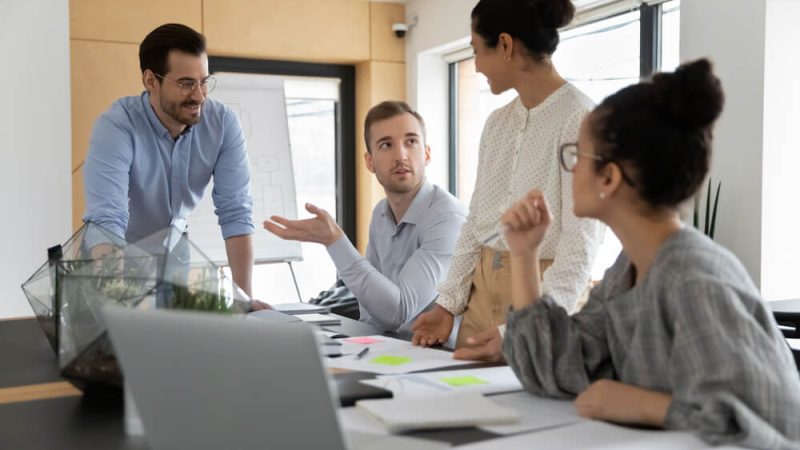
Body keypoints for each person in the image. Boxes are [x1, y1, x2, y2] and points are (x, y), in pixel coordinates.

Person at [499, 59, 800, 448]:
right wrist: (524, 255)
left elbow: (775, 433)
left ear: (609, 177)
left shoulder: (695, 278)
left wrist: (649, 406)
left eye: (577, 156)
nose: (570, 170)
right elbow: (557, 367)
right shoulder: (629, 268)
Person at [412, 0, 604, 352]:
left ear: (504, 45)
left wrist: (524, 328)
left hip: (544, 297)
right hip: (480, 293)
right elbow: (476, 223)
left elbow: (581, 247)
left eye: (476, 51)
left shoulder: (580, 119)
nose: (477, 65)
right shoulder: (497, 123)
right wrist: (448, 305)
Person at [82, 24, 268, 309]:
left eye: (204, 81)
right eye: (186, 83)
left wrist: (244, 301)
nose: (200, 95)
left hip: (174, 254)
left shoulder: (222, 124)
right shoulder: (117, 126)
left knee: (175, 347)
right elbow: (108, 221)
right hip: (113, 258)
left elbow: (236, 212)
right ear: (150, 81)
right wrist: (114, 299)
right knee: (115, 347)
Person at [264, 101, 468, 333]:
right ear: (369, 161)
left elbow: (398, 311)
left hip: (440, 358)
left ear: (427, 153)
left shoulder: (448, 218)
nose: (401, 155)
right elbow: (371, 312)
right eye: (386, 145)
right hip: (394, 350)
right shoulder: (381, 213)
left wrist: (334, 241)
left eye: (411, 142)